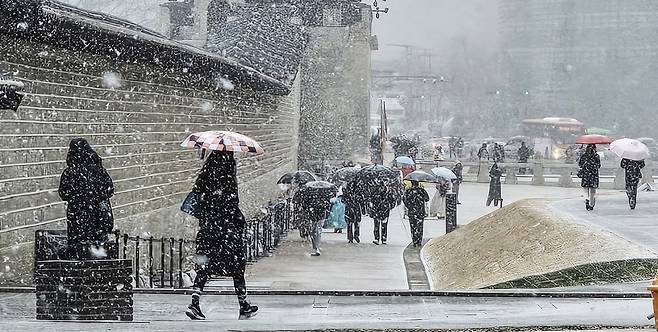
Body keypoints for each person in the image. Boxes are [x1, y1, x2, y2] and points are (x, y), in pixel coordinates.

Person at [186, 151, 258, 320]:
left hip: (207, 230)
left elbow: (198, 200)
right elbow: (232, 206)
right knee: (237, 267)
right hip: (226, 232)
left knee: (203, 267)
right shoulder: (228, 176)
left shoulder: (204, 177)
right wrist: (239, 221)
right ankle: (243, 304)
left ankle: (194, 303)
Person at [59, 138, 114, 260]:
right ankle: (101, 270)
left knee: (78, 249)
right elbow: (110, 189)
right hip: (98, 216)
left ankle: (81, 271)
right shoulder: (99, 170)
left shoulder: (70, 172)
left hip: (78, 216)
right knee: (99, 247)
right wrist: (96, 196)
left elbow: (63, 193)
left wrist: (78, 197)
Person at [403, 181, 430, 247]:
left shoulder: (408, 191)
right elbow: (427, 199)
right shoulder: (422, 191)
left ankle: (414, 240)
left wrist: (409, 206)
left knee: (413, 226)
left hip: (412, 211)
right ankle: (419, 240)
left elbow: (404, 199)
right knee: (420, 226)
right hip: (420, 211)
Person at [578, 144, 601, 211]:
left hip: (586, 175)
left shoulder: (584, 155)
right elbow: (598, 166)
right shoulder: (596, 156)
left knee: (585, 189)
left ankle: (586, 199)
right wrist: (593, 165)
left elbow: (580, 164)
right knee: (592, 191)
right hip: (594, 175)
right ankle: (591, 204)